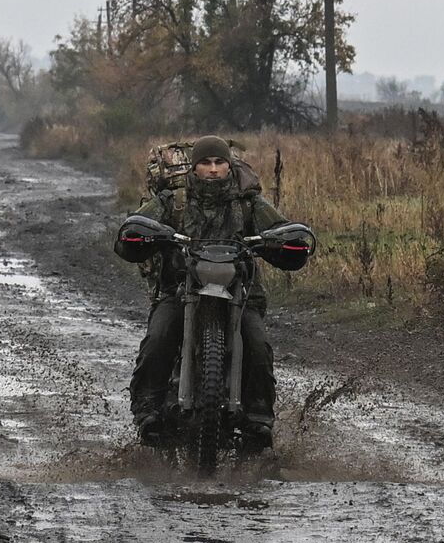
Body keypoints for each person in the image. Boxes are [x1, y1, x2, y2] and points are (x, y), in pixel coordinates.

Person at [118, 135, 307, 446]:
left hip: (241, 294)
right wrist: (139, 234)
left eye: (220, 162)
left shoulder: (248, 202)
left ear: (229, 165)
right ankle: (147, 412)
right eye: (206, 162)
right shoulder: (173, 200)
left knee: (258, 344)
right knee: (158, 337)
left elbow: (278, 229)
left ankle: (259, 419)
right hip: (178, 290)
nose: (214, 169)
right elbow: (134, 227)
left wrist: (286, 242)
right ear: (194, 167)